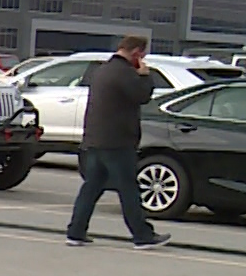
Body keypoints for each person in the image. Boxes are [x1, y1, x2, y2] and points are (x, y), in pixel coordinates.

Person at [64, 35, 171, 249]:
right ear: (136, 53)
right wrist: (145, 75)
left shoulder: (102, 70)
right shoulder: (125, 73)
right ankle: (142, 235)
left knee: (91, 187)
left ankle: (75, 231)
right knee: (129, 189)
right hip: (118, 141)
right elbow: (142, 96)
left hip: (95, 139)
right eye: (142, 56)